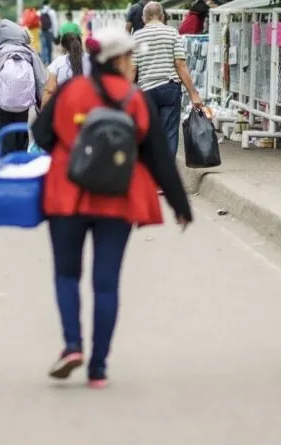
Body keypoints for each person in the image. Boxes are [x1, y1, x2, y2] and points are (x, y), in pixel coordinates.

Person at [31, 28, 193, 387]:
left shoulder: (71, 91)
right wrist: (181, 206)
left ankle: (72, 345)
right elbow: (159, 158)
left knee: (67, 274)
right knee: (106, 284)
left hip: (67, 196)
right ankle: (98, 368)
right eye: (131, 58)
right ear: (118, 60)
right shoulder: (136, 99)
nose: (133, 64)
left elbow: (41, 134)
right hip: (117, 199)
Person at [132, 2, 204, 156]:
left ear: (144, 18)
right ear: (163, 16)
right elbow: (180, 64)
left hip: (146, 91)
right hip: (169, 89)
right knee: (169, 133)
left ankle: (152, 172)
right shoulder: (172, 33)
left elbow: (133, 68)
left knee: (149, 133)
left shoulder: (137, 35)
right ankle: (167, 172)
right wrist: (193, 94)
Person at [0, 20, 47, 156]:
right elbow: (41, 80)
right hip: (23, 105)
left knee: (6, 139)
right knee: (21, 135)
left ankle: (7, 169)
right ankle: (21, 168)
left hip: (2, 105)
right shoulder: (30, 53)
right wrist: (41, 106)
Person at [41, 32, 90, 107]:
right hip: (88, 105)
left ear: (63, 47)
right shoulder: (91, 59)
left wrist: (42, 111)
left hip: (64, 106)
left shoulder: (59, 62)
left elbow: (50, 90)